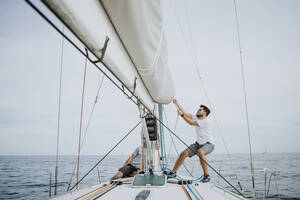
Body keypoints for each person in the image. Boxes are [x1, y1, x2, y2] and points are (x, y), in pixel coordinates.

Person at [168, 99, 214, 183]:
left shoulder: (205, 121)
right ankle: (173, 173)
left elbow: (191, 123)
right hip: (198, 144)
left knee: (200, 152)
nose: (198, 110)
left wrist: (181, 116)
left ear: (204, 113)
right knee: (183, 154)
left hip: (209, 144)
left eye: (200, 110)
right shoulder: (197, 118)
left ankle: (206, 175)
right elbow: (185, 113)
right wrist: (177, 104)